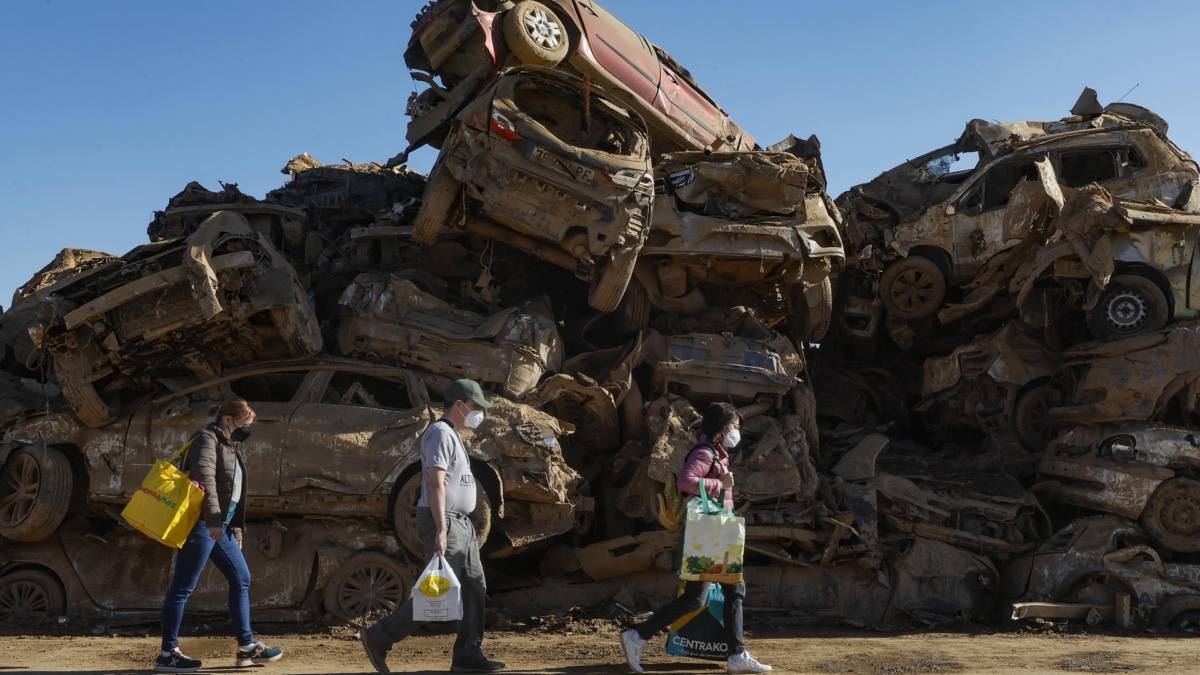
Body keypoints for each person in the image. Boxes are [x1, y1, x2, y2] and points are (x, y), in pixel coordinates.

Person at [360, 378, 506, 674]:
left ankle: (468, 654)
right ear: (460, 405)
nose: (479, 413)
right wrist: (441, 529)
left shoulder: (453, 434)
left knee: (475, 587)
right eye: (476, 407)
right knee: (436, 592)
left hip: (462, 524)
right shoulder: (439, 433)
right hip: (447, 522)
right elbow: (435, 482)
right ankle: (378, 637)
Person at [620, 402, 771, 674]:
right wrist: (720, 484)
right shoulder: (705, 453)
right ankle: (638, 637)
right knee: (716, 594)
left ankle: (735, 655)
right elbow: (685, 481)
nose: (737, 432)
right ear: (721, 429)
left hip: (716, 535)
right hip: (710, 537)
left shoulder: (717, 454)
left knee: (716, 594)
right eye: (734, 427)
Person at [155, 398, 284, 673]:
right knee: (182, 588)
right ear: (228, 419)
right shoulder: (206, 439)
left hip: (220, 527)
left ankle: (247, 646)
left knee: (242, 578)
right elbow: (206, 482)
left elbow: (234, 492)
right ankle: (168, 653)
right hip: (204, 524)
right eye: (245, 424)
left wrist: (234, 528)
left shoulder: (229, 445)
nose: (247, 429)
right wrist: (214, 521)